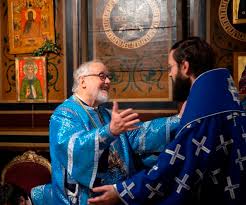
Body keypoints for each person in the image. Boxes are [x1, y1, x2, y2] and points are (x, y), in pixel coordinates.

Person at [88, 37, 246, 205]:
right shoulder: (226, 96)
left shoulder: (201, 112)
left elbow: (175, 165)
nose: (170, 73)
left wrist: (122, 192)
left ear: (185, 67)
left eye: (171, 67)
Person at [31, 60, 183, 204]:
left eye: (109, 77)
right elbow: (74, 148)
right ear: (82, 81)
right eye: (102, 76)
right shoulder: (65, 114)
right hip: (85, 198)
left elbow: (139, 134)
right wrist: (108, 132)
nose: (108, 82)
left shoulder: (106, 113)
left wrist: (178, 119)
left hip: (117, 194)